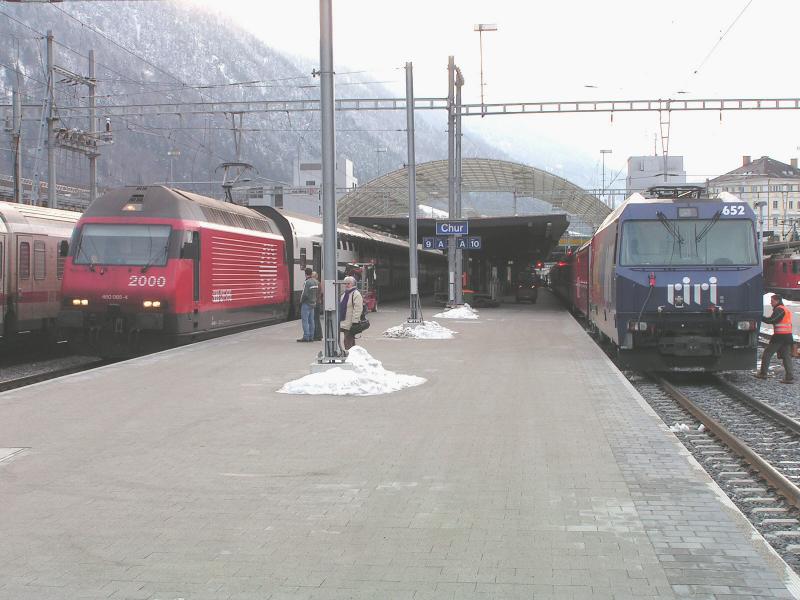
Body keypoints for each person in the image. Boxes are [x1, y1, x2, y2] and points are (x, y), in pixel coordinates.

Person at [754, 293, 795, 383]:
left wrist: (759, 317)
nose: (771, 303)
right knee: (786, 356)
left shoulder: (779, 309)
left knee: (767, 353)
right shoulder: (784, 309)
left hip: (779, 336)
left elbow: (771, 320)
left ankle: (763, 373)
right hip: (787, 336)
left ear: (777, 301)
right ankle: (789, 378)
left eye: (772, 301)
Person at [339, 275, 363, 351]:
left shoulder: (356, 294)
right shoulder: (345, 294)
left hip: (350, 322)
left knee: (348, 340)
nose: (346, 285)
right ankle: (352, 354)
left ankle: (350, 354)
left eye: (348, 283)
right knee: (348, 340)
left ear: (353, 284)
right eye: (345, 283)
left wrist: (355, 321)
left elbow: (358, 308)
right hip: (343, 321)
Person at [297, 267, 318, 342]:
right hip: (313, 303)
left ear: (305, 274)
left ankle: (306, 336)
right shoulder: (315, 282)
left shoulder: (307, 282)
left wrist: (301, 301)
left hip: (306, 304)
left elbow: (304, 293)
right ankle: (311, 336)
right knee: (311, 321)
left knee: (305, 321)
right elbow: (316, 293)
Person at [311, 271, 322, 341]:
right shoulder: (318, 283)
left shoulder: (315, 283)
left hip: (315, 303)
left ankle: (317, 335)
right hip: (318, 302)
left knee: (315, 319)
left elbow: (314, 294)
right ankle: (319, 335)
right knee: (317, 319)